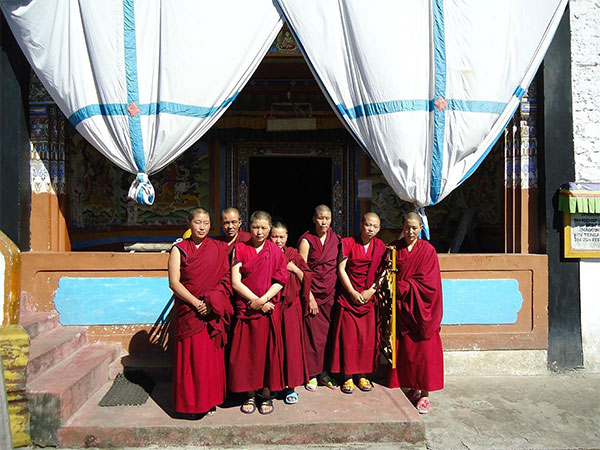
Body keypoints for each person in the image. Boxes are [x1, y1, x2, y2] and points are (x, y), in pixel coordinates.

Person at [168, 208, 233, 417]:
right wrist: (197, 303)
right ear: (189, 224)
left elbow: (225, 277)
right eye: (198, 222)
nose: (202, 226)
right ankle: (190, 404)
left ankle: (209, 400)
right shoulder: (179, 249)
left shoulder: (217, 247)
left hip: (211, 311)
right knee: (190, 360)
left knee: (209, 361)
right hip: (190, 311)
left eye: (206, 222)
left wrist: (212, 300)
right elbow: (174, 282)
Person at [229, 211, 288, 415]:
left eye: (264, 228)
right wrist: (253, 300)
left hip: (267, 311)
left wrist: (262, 300)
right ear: (249, 227)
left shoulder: (276, 251)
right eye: (255, 227)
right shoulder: (240, 248)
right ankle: (249, 395)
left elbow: (281, 280)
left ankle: (266, 395)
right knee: (247, 355)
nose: (259, 232)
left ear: (270, 228)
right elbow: (235, 281)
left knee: (267, 355)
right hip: (247, 310)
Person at [387, 212, 444, 414]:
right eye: (407, 227)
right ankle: (412, 388)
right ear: (402, 226)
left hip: (422, 311)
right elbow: (387, 274)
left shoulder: (428, 251)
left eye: (414, 228)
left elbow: (430, 284)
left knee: (424, 354)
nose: (410, 231)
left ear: (421, 228)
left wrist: (403, 286)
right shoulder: (395, 248)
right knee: (407, 354)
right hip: (403, 310)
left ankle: (425, 395)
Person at [331, 212, 387, 394]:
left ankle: (362, 375)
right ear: (361, 224)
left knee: (366, 339)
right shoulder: (348, 243)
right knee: (348, 339)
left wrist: (372, 290)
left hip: (369, 298)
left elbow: (384, 272)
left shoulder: (380, 246)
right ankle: (347, 376)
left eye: (375, 226)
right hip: (349, 298)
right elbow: (341, 269)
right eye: (368, 224)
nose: (370, 229)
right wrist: (352, 292)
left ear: (379, 229)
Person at [298, 204, 341, 391]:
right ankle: (311, 374)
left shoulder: (336, 240)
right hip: (313, 294)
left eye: (327, 219)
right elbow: (302, 270)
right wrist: (309, 296)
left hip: (330, 294)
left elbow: (340, 268)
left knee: (328, 337)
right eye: (321, 218)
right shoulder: (307, 241)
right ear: (314, 219)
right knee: (312, 337)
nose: (324, 222)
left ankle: (324, 372)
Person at [270, 221, 313, 405]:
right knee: (274, 347)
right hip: (272, 307)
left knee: (292, 347)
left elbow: (306, 277)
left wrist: (294, 268)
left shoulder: (293, 255)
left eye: (282, 237)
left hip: (291, 308)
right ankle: (274, 386)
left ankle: (291, 387)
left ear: (287, 237)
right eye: (275, 237)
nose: (278, 241)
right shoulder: (267, 253)